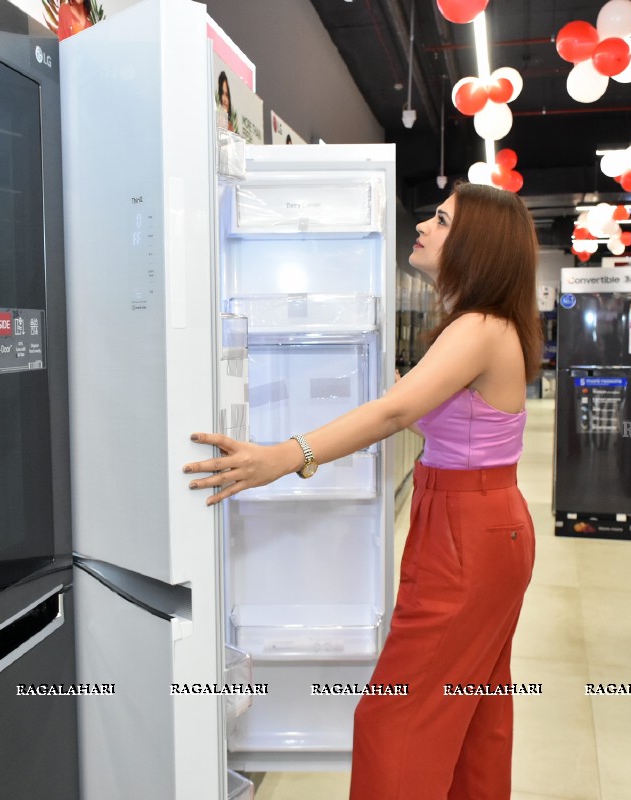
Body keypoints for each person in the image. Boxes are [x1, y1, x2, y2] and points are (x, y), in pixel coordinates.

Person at [184, 182, 541, 799]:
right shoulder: (483, 327)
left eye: (442, 220)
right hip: (481, 525)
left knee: (395, 716)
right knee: (476, 707)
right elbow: (419, 407)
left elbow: (393, 414)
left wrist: (283, 457)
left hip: (468, 530)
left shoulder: (478, 327)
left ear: (476, 246)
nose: (425, 227)